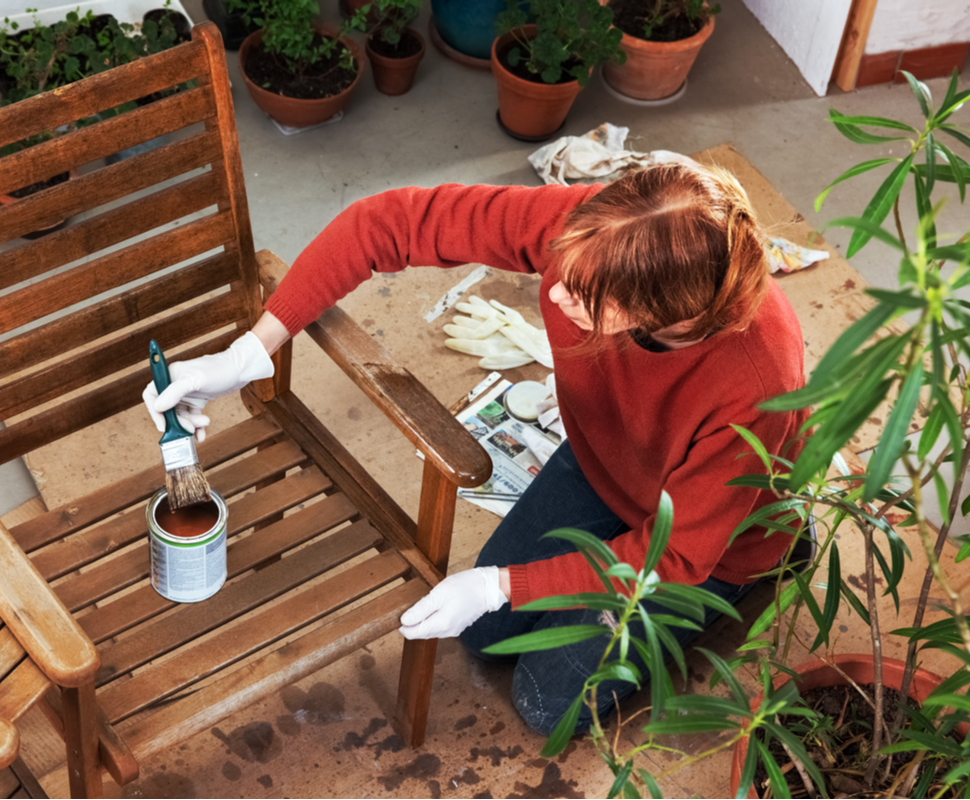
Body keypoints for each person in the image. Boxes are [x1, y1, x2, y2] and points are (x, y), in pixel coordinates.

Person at [143, 162, 808, 736]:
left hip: (703, 543)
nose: (552, 292)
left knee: (546, 702)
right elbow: (386, 224)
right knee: (487, 633)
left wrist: (501, 583)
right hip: (609, 466)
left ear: (660, 315)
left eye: (581, 298)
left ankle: (766, 565)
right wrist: (250, 351)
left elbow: (680, 553)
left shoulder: (754, 378)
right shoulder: (601, 237)